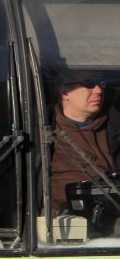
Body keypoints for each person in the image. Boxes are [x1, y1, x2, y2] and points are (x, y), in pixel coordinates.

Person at [49, 68, 116, 216]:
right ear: (65, 92)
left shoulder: (113, 130)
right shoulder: (42, 133)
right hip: (57, 224)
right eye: (89, 83)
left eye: (101, 83)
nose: (98, 90)